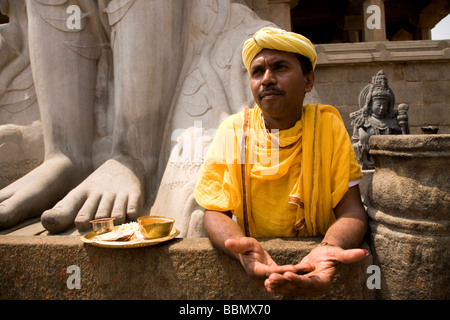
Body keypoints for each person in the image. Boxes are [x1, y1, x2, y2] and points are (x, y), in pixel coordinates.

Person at [194, 27, 368, 297]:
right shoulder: (233, 130)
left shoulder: (328, 126)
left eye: (280, 67)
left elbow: (353, 211)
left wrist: (329, 248)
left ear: (308, 81)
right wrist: (242, 248)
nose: (267, 79)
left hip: (315, 255)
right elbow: (215, 211)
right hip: (257, 268)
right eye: (257, 72)